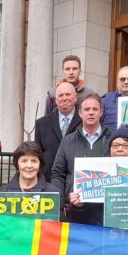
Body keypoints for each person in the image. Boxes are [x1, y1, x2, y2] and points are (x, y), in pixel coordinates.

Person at [51, 94, 111, 224]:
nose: (90, 113)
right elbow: (57, 173)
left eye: (94, 109)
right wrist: (63, 202)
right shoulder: (67, 141)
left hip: (106, 211)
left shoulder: (112, 140)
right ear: (80, 113)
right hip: (74, 209)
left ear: (101, 113)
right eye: (87, 109)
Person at [34, 82, 82, 182]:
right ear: (56, 100)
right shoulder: (42, 124)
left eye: (68, 94)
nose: (64, 98)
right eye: (60, 95)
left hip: (78, 180)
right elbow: (37, 155)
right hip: (49, 181)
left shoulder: (85, 121)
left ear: (76, 97)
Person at [101, 66, 128, 131]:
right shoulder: (106, 100)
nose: (126, 82)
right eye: (122, 79)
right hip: (110, 140)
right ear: (117, 80)